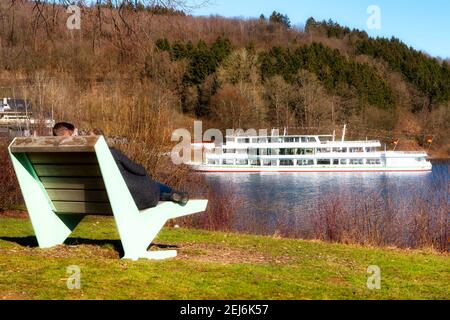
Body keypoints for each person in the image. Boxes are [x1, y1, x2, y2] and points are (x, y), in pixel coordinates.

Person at [52, 122, 188, 209]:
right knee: (151, 184)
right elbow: (140, 171)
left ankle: (170, 195)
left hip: (88, 202)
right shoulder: (111, 154)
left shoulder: (70, 159)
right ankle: (172, 193)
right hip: (130, 200)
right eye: (75, 133)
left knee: (148, 187)